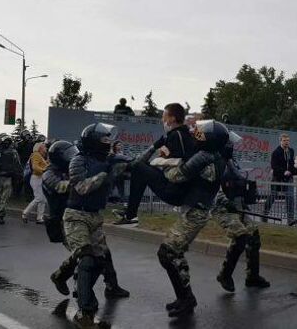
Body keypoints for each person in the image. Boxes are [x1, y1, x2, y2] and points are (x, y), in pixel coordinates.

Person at [157, 120, 232, 317]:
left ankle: (187, 298)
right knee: (175, 253)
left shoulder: (205, 156)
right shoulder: (215, 156)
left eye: (200, 132)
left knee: (167, 253)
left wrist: (163, 164)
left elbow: (177, 176)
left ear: (209, 139)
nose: (196, 133)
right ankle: (184, 297)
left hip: (195, 213)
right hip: (196, 211)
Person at [42, 140, 129, 303]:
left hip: (83, 215)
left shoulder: (74, 166)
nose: (72, 156)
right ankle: (80, 291)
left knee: (103, 252)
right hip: (63, 220)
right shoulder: (49, 174)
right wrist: (89, 179)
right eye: (68, 154)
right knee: (84, 256)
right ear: (58, 158)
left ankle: (112, 285)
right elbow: (66, 187)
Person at [63, 123, 131, 327]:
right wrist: (105, 173)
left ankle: (76, 285)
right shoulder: (78, 160)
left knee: (101, 260)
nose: (108, 144)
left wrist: (157, 152)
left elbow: (134, 164)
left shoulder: (108, 160)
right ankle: (85, 311)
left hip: (95, 217)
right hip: (76, 216)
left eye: (109, 140)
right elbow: (82, 187)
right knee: (86, 260)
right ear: (93, 141)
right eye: (104, 140)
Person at [113, 103, 196, 224]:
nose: (162, 120)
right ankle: (130, 213)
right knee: (141, 167)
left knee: (138, 167)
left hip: (175, 190)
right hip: (181, 189)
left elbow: (177, 162)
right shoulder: (182, 135)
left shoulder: (175, 136)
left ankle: (131, 215)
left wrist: (133, 165)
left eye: (164, 117)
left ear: (172, 118)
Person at [214, 141, 270, 293]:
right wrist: (226, 202)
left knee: (253, 235)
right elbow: (213, 190)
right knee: (240, 236)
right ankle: (224, 274)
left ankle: (252, 277)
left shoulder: (231, 162)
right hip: (223, 208)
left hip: (238, 205)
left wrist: (249, 191)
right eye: (228, 145)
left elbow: (238, 180)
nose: (231, 147)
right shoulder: (212, 162)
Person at [263, 134, 297, 225]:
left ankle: (290, 219)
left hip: (288, 178)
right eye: (284, 140)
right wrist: (283, 172)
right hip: (277, 178)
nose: (286, 142)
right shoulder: (276, 152)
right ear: (280, 141)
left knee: (290, 197)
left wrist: (293, 171)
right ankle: (265, 214)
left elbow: (291, 164)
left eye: (287, 140)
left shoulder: (291, 151)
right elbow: (274, 166)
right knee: (273, 196)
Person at [0, 134, 22, 224]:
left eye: (8, 141)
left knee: (4, 198)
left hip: (8, 178)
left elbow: (17, 164)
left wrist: (19, 174)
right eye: (5, 141)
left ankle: (1, 215)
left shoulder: (13, 152)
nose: (6, 143)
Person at [22, 142, 49, 224]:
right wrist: (44, 170)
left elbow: (42, 165)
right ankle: (25, 213)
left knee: (43, 199)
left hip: (39, 178)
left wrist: (48, 162)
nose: (46, 148)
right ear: (40, 148)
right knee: (39, 198)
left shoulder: (40, 156)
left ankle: (40, 218)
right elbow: (35, 167)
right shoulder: (36, 154)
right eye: (44, 146)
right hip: (36, 178)